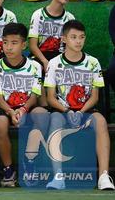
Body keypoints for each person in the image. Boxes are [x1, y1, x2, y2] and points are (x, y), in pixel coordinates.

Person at [44, 20, 114, 190]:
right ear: (64, 39)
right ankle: (58, 177)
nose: (78, 41)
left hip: (86, 110)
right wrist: (67, 111)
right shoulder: (54, 63)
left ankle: (103, 176)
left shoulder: (93, 62)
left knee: (101, 122)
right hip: (62, 110)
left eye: (81, 37)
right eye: (73, 37)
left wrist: (81, 112)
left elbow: (95, 96)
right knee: (54, 120)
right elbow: (50, 98)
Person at [0, 23, 47, 187]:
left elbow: (35, 95)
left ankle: (29, 161)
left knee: (42, 115)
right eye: (5, 42)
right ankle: (8, 169)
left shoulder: (35, 66)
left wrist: (22, 109)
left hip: (27, 106)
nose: (8, 47)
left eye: (14, 43)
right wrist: (10, 112)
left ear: (23, 44)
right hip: (4, 107)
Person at [28, 0, 74, 106]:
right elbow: (32, 45)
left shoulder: (70, 18)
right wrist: (44, 61)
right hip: (40, 56)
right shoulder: (38, 15)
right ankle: (45, 107)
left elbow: (70, 47)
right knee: (36, 69)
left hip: (60, 57)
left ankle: (64, 105)